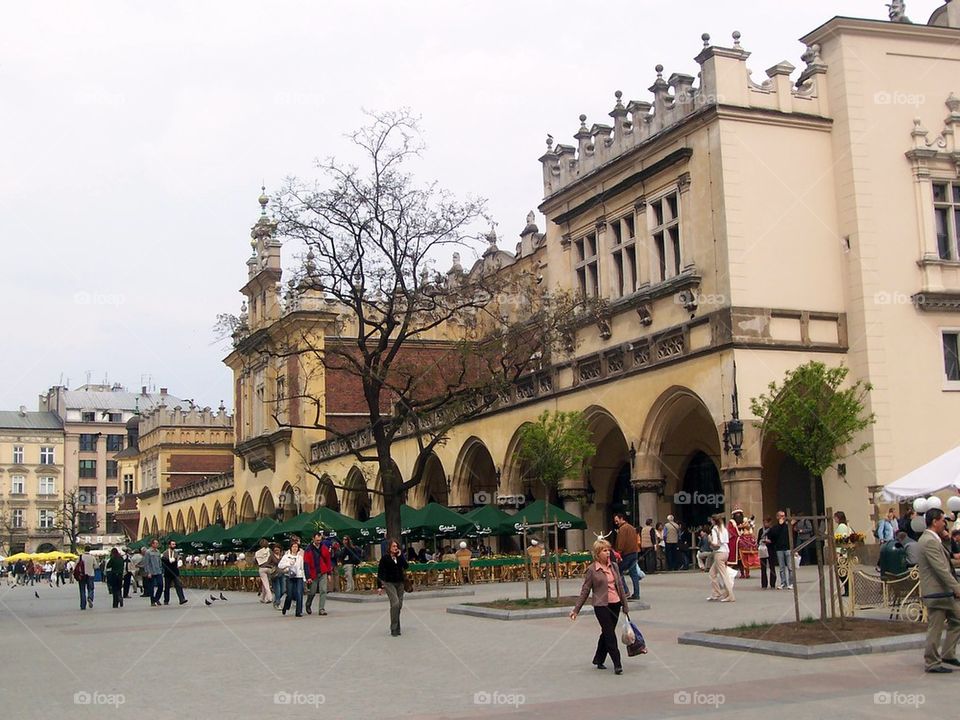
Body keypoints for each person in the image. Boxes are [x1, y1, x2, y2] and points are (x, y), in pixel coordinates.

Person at [569, 538, 629, 675]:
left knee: (606, 633)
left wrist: (625, 606)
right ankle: (617, 664)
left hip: (615, 604)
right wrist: (576, 610)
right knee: (610, 634)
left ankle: (598, 658)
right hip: (601, 606)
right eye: (604, 550)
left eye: (608, 550)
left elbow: (620, 586)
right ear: (597, 553)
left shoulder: (614, 566)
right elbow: (585, 590)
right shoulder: (592, 569)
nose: (608, 553)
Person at [917, 508, 960, 673]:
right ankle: (932, 662)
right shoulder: (928, 541)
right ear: (935, 521)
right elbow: (941, 569)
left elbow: (945, 561)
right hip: (937, 592)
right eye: (943, 520)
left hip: (943, 592)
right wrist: (957, 588)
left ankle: (948, 654)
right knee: (935, 627)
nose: (945, 523)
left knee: (957, 620)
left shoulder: (935, 540)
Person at [377, 538, 409, 637]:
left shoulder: (400, 557)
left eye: (397, 546)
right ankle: (393, 628)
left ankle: (397, 627)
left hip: (400, 583)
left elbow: (406, 566)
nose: (396, 548)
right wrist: (379, 586)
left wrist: (400, 556)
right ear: (389, 548)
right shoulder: (385, 558)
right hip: (389, 583)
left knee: (399, 605)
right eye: (394, 546)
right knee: (395, 603)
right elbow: (380, 572)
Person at [707, 515, 734, 602]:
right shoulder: (724, 528)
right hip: (726, 552)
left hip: (719, 553)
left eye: (711, 520)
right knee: (712, 573)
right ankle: (716, 593)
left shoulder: (714, 529)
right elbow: (726, 540)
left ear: (714, 521)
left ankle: (730, 595)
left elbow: (715, 543)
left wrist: (710, 540)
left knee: (723, 575)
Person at [304, 532, 331, 616]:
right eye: (317, 540)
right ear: (313, 539)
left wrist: (329, 573)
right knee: (312, 592)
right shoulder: (308, 549)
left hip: (323, 572)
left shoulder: (324, 547)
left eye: (320, 540)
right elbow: (306, 564)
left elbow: (328, 560)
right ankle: (308, 603)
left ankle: (321, 609)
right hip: (313, 573)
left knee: (323, 590)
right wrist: (308, 576)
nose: (319, 541)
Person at [766, 511, 794, 590]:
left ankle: (791, 583)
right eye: (781, 516)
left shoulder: (788, 526)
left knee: (790, 567)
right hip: (779, 549)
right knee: (781, 568)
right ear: (777, 517)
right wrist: (780, 525)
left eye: (784, 516)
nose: (782, 517)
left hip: (788, 548)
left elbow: (791, 536)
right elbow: (773, 535)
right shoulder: (775, 527)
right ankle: (783, 583)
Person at [278, 539, 305, 617]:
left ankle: (298, 611)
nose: (295, 548)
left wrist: (304, 578)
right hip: (290, 576)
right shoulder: (286, 556)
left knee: (299, 593)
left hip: (299, 576)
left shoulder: (300, 557)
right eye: (293, 547)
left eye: (296, 547)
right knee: (289, 594)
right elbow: (280, 565)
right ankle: (286, 606)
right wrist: (288, 564)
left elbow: (302, 568)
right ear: (290, 548)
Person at [161, 541, 188, 606]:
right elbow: (163, 562)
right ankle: (166, 600)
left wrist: (177, 561)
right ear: (169, 545)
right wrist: (168, 561)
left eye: (174, 544)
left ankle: (182, 599)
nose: (174, 545)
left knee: (178, 585)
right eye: (172, 544)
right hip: (168, 572)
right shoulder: (165, 553)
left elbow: (177, 560)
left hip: (175, 572)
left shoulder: (176, 553)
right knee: (167, 587)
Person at [142, 538, 164, 607]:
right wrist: (148, 572)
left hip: (158, 571)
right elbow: (146, 563)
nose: (157, 544)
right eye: (156, 543)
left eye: (157, 543)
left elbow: (160, 561)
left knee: (160, 585)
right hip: (151, 572)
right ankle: (152, 601)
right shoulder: (148, 552)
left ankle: (156, 598)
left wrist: (161, 569)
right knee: (151, 587)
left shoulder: (158, 551)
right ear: (152, 544)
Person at [757, 518, 777, 589]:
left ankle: (772, 583)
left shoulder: (772, 530)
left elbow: (775, 540)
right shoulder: (760, 530)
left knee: (772, 567)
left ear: (770, 523)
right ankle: (764, 584)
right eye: (764, 523)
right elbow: (758, 540)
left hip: (770, 549)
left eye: (766, 523)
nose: (765, 524)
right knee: (763, 567)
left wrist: (770, 541)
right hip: (762, 549)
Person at [76, 545, 97, 610]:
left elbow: (76, 565)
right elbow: (96, 566)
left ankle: (83, 605)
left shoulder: (80, 557)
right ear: (89, 550)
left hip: (82, 575)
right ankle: (90, 598)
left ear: (84, 550)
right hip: (90, 575)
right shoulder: (92, 557)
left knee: (82, 590)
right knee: (91, 588)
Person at [255, 538, 275, 604]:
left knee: (265, 583)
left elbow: (255, 561)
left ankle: (269, 597)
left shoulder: (257, 552)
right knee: (266, 582)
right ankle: (262, 598)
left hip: (261, 568)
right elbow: (273, 558)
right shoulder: (269, 550)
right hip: (269, 568)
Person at [726, 508, 744, 579]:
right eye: (737, 514)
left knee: (742, 559)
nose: (738, 515)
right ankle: (728, 573)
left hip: (742, 541)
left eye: (739, 514)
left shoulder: (743, 521)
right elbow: (731, 530)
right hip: (734, 542)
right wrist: (738, 530)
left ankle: (743, 573)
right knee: (732, 559)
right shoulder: (731, 522)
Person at [270, 543, 286, 610]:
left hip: (282, 573)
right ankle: (277, 603)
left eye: (278, 550)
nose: (276, 551)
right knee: (278, 590)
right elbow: (267, 564)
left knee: (283, 590)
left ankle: (276, 599)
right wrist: (272, 567)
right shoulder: (271, 556)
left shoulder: (283, 556)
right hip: (275, 574)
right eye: (275, 550)